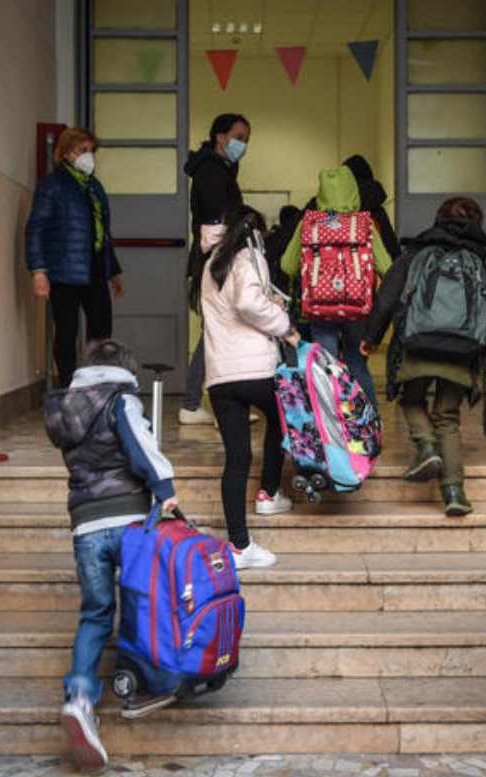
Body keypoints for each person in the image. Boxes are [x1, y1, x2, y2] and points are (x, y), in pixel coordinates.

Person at [44, 339, 180, 770]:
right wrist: (165, 488)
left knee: (95, 613)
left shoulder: (69, 407)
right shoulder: (121, 400)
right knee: (141, 603)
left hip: (85, 523)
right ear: (124, 369)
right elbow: (138, 447)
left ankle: (80, 697)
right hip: (128, 520)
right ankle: (141, 684)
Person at [360, 197, 486, 517]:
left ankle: (425, 446)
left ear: (438, 219)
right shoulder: (477, 262)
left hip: (418, 344)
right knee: (447, 417)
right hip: (462, 349)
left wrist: (370, 338)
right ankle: (454, 492)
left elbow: (386, 299)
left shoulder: (415, 254)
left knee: (412, 401)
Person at [200, 205, 300, 570]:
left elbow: (229, 305)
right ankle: (269, 493)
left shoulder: (212, 262)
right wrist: (283, 323)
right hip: (255, 370)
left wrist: (267, 302)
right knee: (283, 419)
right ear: (255, 232)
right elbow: (246, 303)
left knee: (237, 458)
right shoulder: (249, 255)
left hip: (221, 376)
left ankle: (240, 546)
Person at [281, 165, 393, 407]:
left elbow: (287, 266)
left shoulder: (308, 224)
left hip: (320, 307)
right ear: (353, 192)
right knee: (355, 360)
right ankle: (368, 421)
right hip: (357, 305)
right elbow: (386, 267)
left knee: (326, 363)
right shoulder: (365, 224)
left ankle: (332, 424)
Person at [26, 127, 123, 388]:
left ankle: (96, 385)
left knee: (101, 332)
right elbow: (36, 228)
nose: (89, 156)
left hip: (94, 270)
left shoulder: (94, 187)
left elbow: (102, 230)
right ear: (66, 153)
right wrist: (38, 270)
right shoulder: (53, 185)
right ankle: (69, 387)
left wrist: (112, 271)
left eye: (92, 151)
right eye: (83, 150)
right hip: (63, 271)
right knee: (66, 333)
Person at [180, 113, 252, 426]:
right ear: (220, 137)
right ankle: (194, 402)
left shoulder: (221, 168)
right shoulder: (211, 170)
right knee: (217, 327)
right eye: (238, 137)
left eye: (247, 139)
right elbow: (217, 215)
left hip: (218, 257)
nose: (243, 144)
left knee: (219, 327)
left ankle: (206, 403)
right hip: (217, 259)